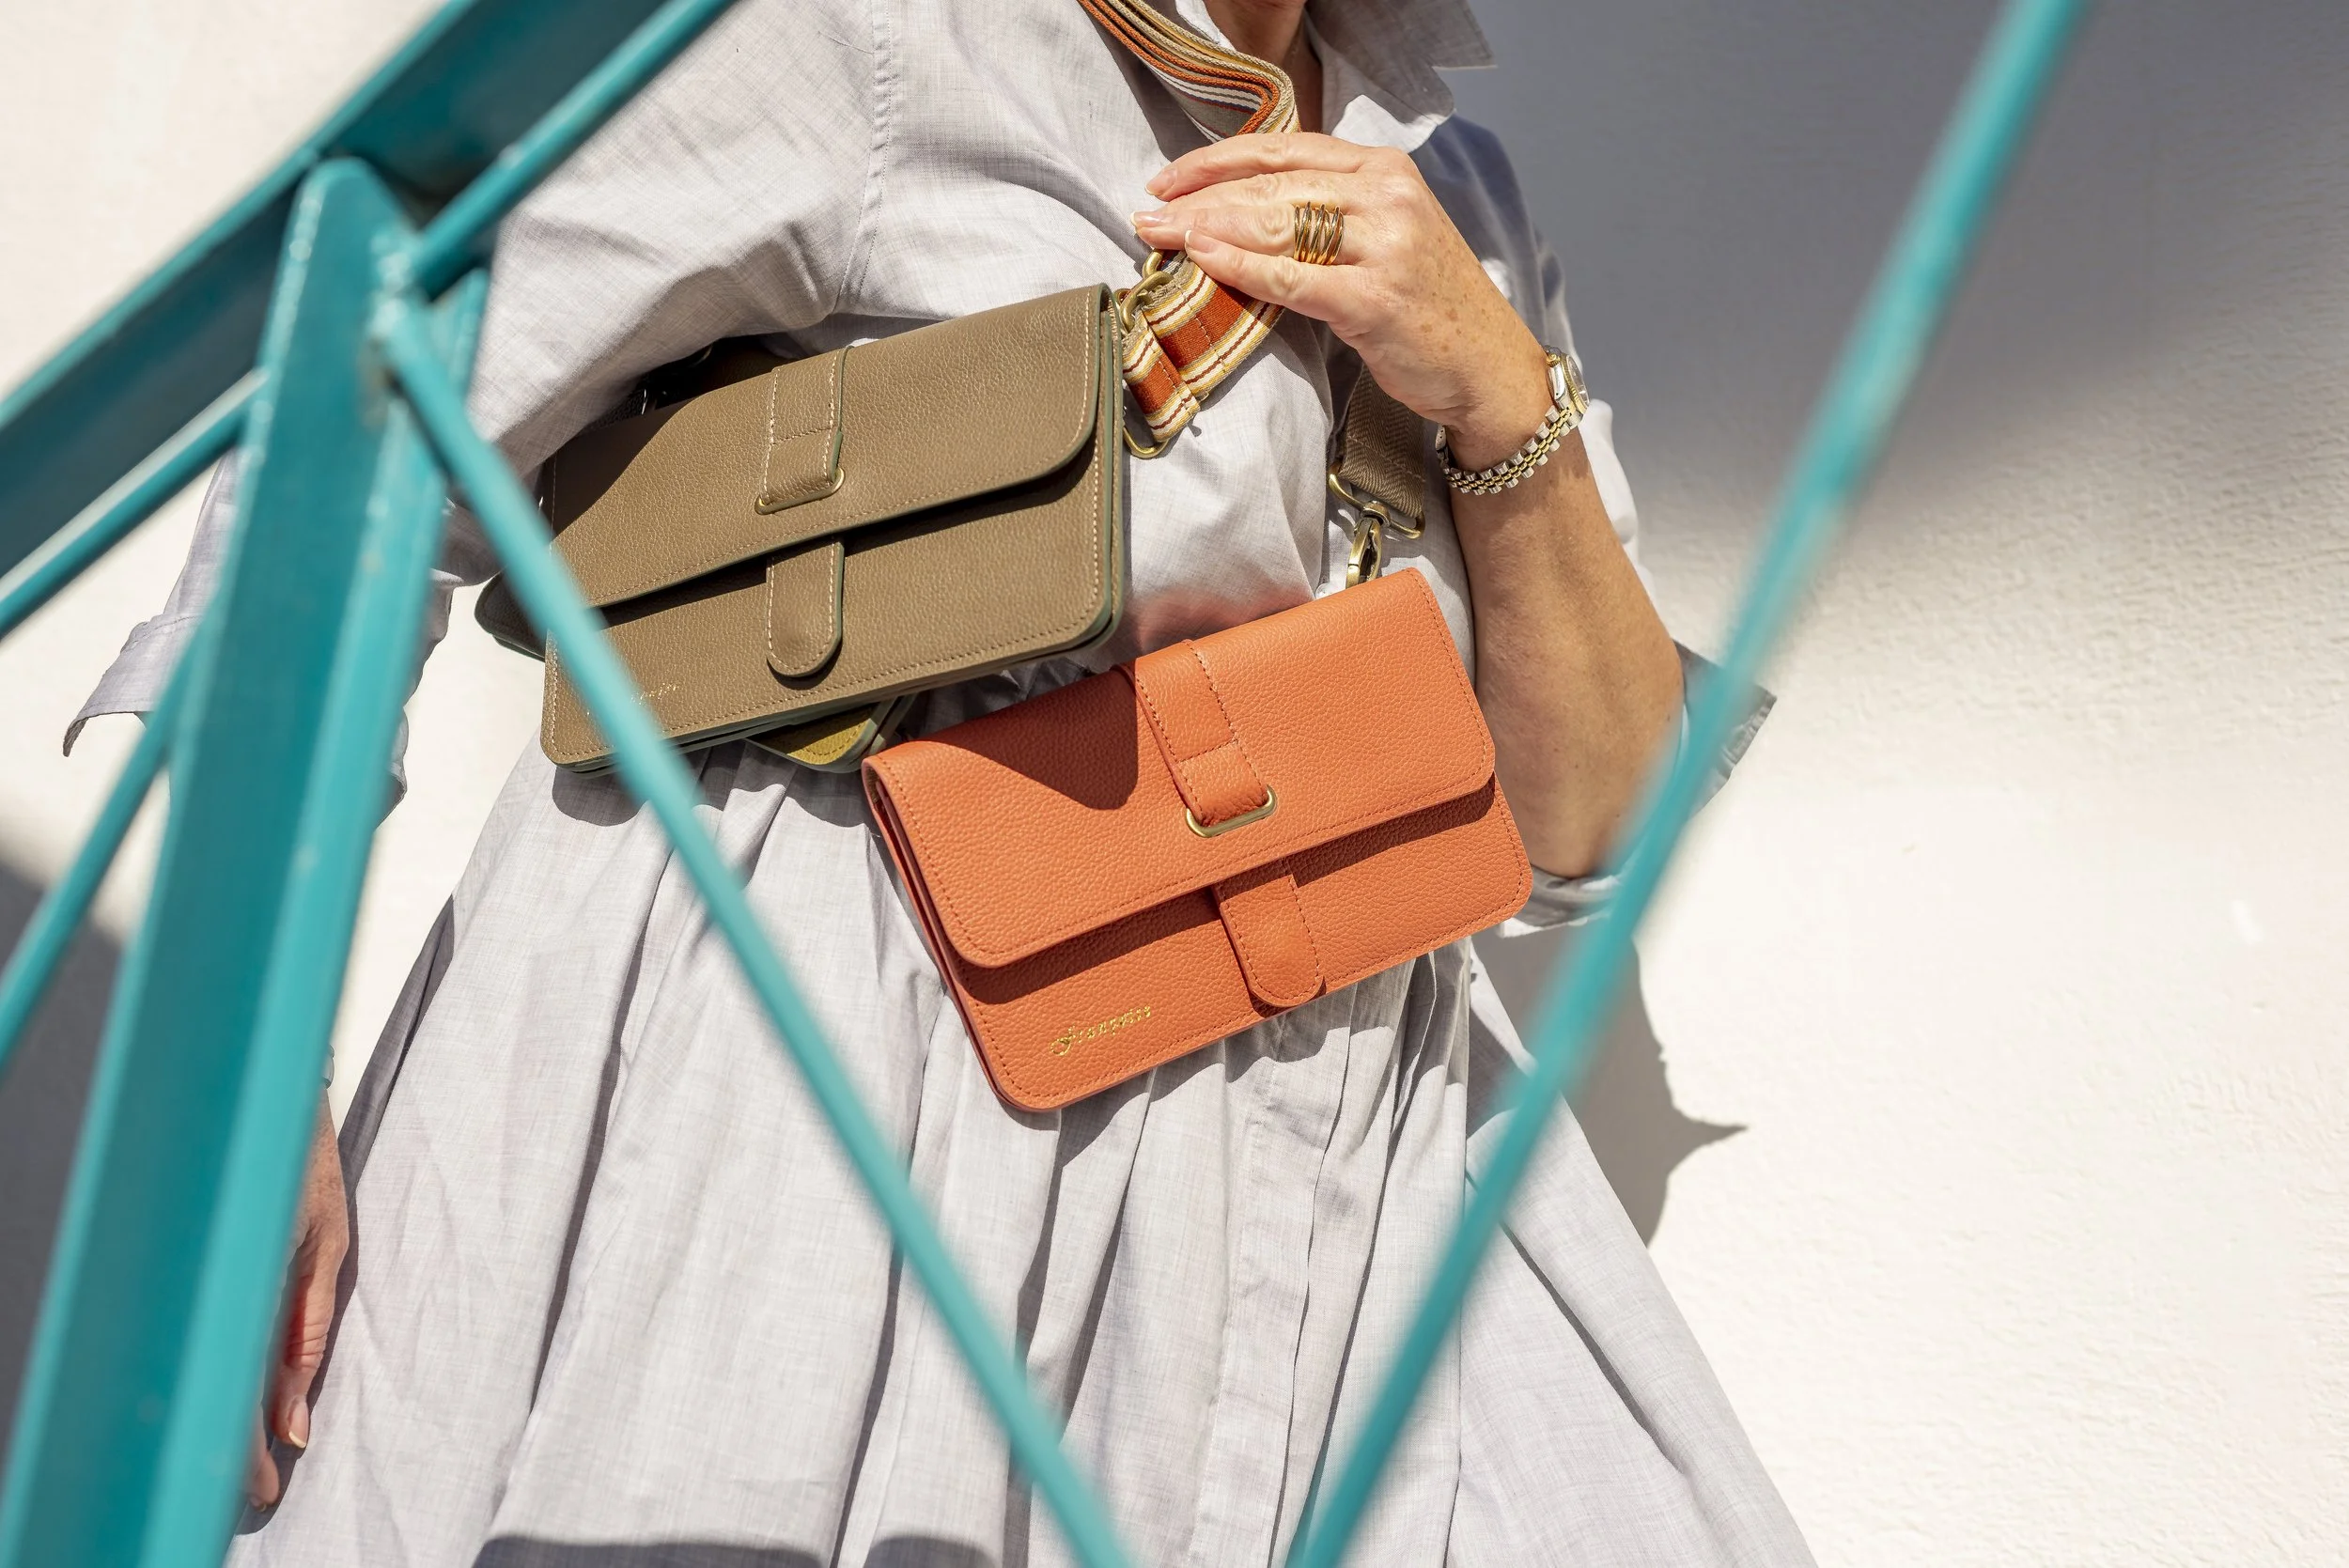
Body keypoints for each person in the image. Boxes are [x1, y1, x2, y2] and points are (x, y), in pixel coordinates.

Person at [78, 1, 1805, 1561]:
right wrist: (241, 1090)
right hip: (834, 1070)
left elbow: (1583, 836)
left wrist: (1497, 382)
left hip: (1349, 1136)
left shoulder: (1456, 189)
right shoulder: (863, 35)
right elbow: (357, 444)